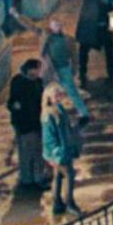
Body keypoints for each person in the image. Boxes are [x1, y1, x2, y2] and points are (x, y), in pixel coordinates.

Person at [7, 59, 49, 191]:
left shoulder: (36, 82)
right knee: (33, 152)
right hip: (27, 124)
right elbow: (13, 103)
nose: (39, 72)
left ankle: (30, 177)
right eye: (37, 69)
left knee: (31, 152)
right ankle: (34, 178)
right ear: (30, 69)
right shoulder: (20, 82)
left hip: (33, 122)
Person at [41, 83, 81, 216]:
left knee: (58, 176)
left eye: (59, 94)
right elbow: (49, 138)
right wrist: (55, 154)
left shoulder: (58, 109)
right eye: (55, 95)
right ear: (49, 97)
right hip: (59, 153)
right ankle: (69, 203)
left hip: (63, 150)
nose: (58, 97)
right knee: (69, 175)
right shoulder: (49, 114)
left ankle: (57, 203)